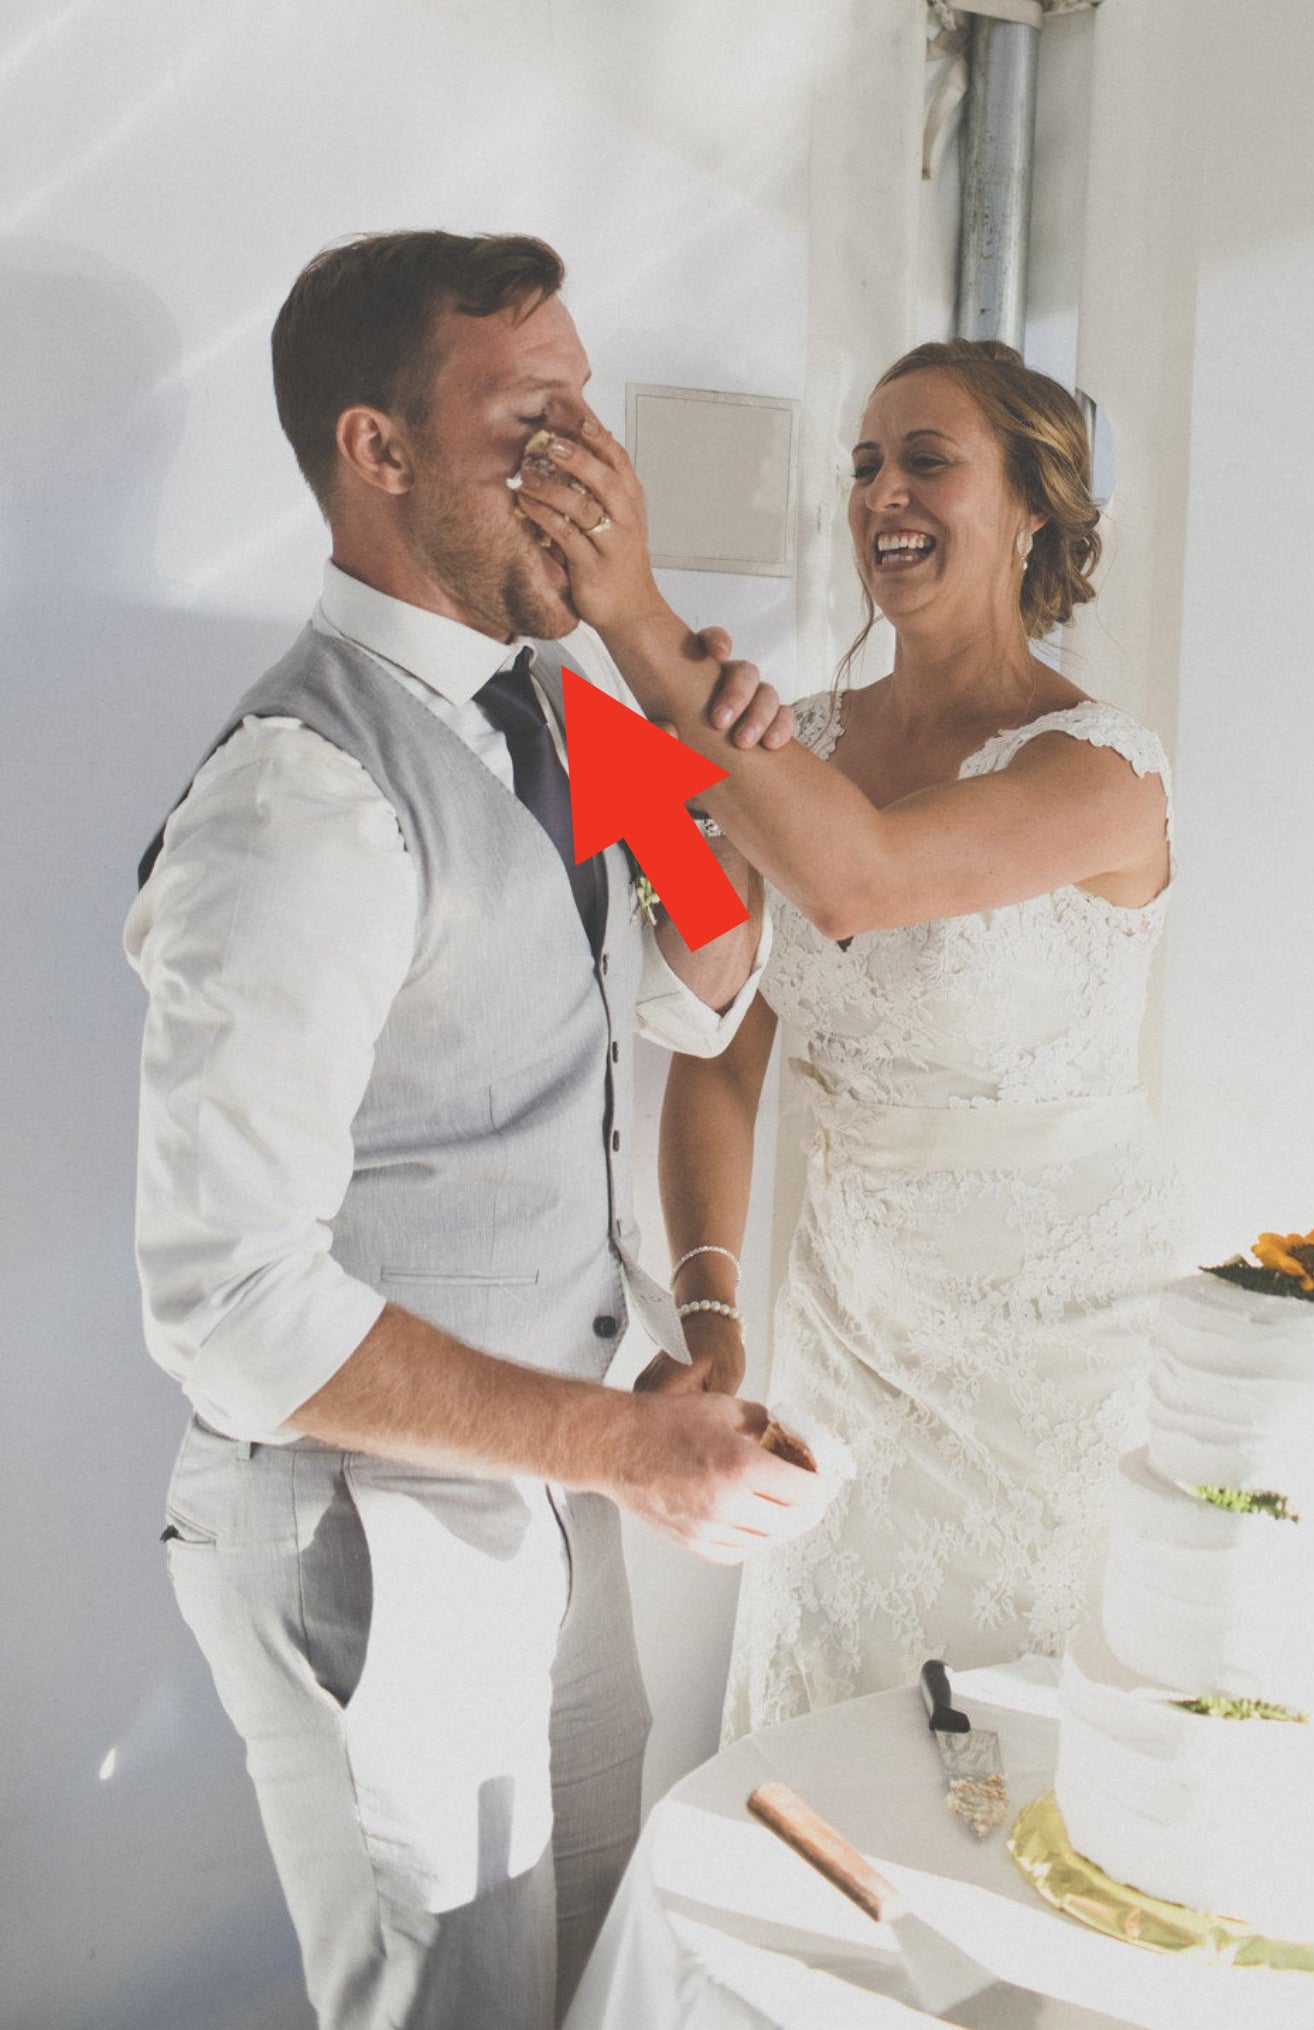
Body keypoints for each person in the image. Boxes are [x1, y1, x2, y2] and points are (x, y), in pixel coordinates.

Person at [126, 231, 836, 2030]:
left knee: (598, 1974)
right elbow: (229, 1309)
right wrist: (623, 1442)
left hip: (556, 1491)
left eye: (587, 409)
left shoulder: (558, 706)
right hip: (372, 1528)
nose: (587, 462)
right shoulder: (300, 801)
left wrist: (660, 672)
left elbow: (709, 972)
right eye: (533, 420)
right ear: (376, 451)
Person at [506, 338, 1186, 1740]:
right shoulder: (790, 737)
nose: (884, 489)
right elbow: (720, 1039)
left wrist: (637, 618)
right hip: (852, 1322)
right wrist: (709, 1312)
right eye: (866, 461)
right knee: (837, 1708)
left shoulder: (1104, 771)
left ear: (1031, 509)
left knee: (1036, 1717)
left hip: (1060, 1345)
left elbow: (859, 882)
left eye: (927, 458)